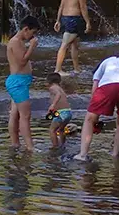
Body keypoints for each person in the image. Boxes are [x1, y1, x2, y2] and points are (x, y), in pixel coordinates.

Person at [5, 15, 41, 151]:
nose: (33, 36)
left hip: (20, 82)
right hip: (18, 83)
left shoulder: (19, 41)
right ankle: (30, 147)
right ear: (26, 29)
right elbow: (22, 61)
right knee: (25, 116)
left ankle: (15, 144)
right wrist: (32, 47)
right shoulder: (15, 42)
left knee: (15, 114)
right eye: (33, 32)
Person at [54, 0, 91, 74]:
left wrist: (58, 20)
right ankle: (57, 70)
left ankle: (76, 69)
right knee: (65, 44)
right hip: (73, 18)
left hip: (65, 18)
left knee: (75, 45)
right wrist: (87, 22)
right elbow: (83, 6)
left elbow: (61, 5)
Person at [46, 73, 72, 149]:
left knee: (52, 130)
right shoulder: (60, 88)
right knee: (61, 130)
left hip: (60, 113)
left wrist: (53, 105)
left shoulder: (52, 88)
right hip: (68, 112)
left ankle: (55, 146)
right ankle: (62, 145)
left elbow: (58, 95)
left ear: (49, 81)